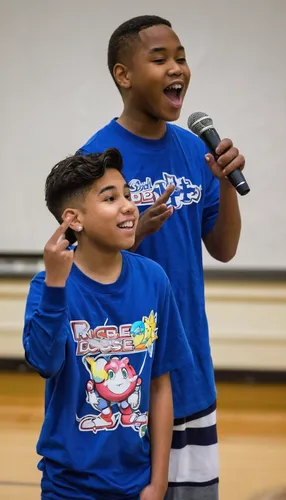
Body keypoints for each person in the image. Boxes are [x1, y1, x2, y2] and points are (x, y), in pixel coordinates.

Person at [76, 14, 246, 500]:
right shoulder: (96, 159)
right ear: (123, 75)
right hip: (123, 383)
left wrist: (226, 183)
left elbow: (225, 249)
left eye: (181, 58)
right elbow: (78, 267)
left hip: (191, 373)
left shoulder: (196, 151)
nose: (178, 68)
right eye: (160, 59)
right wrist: (132, 238)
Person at [22, 148, 194, 500]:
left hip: (136, 483)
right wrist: (56, 285)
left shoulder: (153, 279)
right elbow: (44, 363)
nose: (129, 206)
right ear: (75, 219)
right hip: (67, 486)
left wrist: (158, 483)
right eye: (110, 198)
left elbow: (161, 386)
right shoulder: (48, 285)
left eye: (128, 195)